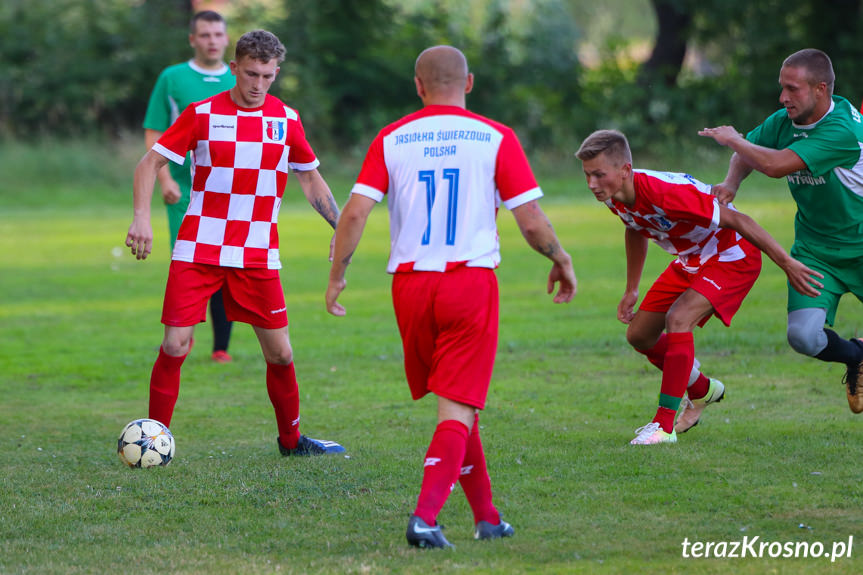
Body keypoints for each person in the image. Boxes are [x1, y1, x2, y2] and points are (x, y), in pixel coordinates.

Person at [326, 45, 577, 549]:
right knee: (458, 408)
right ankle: (424, 518)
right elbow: (530, 221)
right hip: (469, 283)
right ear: (469, 82)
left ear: (418, 86)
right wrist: (561, 259)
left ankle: (487, 517)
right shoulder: (495, 137)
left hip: (411, 286)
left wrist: (337, 274)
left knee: (457, 406)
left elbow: (353, 213)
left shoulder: (391, 137)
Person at [126, 29, 345, 457]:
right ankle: (154, 442)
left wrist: (341, 226)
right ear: (234, 69)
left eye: (267, 76)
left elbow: (309, 176)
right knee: (174, 345)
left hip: (256, 253)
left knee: (281, 354)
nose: (258, 85)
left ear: (276, 72)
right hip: (198, 248)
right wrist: (141, 218)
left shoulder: (287, 119)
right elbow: (149, 162)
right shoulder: (202, 113)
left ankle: (291, 442)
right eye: (250, 74)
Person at [575, 130, 822, 444]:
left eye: (598, 175)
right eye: (587, 175)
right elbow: (635, 229)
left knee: (679, 319)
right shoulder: (614, 196)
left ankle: (664, 426)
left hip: (731, 255)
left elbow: (740, 222)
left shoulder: (665, 192)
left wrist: (787, 264)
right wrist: (631, 288)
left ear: (625, 171)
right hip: (690, 258)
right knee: (639, 335)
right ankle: (702, 389)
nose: (591, 184)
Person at [700, 48, 863, 414]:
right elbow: (748, 155)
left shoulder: (842, 130)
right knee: (803, 337)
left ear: (821, 89)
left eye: (792, 89)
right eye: (781, 88)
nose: (782, 97)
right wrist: (731, 184)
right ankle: (857, 355)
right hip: (816, 251)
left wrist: (734, 138)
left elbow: (773, 164)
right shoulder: (785, 121)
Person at [144, 10, 236, 363]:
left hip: (229, 193)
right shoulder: (173, 78)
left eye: (217, 34)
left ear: (226, 38)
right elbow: (155, 130)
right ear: (193, 40)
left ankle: (221, 348)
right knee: (190, 265)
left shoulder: (240, 79)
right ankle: (185, 336)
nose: (212, 40)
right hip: (185, 193)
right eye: (205, 35)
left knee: (227, 266)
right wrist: (164, 179)